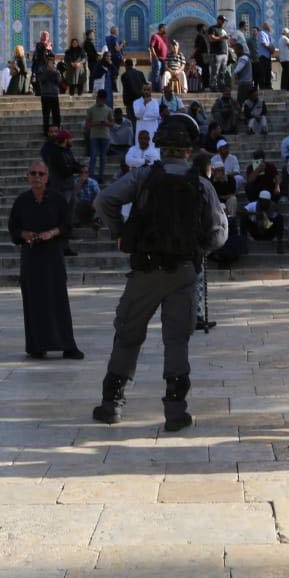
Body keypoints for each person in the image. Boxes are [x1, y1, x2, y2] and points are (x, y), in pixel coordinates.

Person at [91, 113, 228, 430]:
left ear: (160, 144)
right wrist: (197, 247)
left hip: (145, 271)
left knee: (128, 335)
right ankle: (175, 412)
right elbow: (219, 235)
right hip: (183, 272)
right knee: (177, 341)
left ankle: (112, 404)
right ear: (190, 148)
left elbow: (103, 201)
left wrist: (120, 232)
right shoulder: (202, 184)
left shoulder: (143, 177)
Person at [9, 160, 81, 359]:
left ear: (47, 177)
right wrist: (25, 234)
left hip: (52, 256)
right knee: (33, 300)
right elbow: (13, 228)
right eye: (33, 173)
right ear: (28, 176)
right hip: (31, 257)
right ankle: (37, 346)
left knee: (58, 299)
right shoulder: (22, 201)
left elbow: (67, 225)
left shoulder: (57, 199)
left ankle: (67, 345)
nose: (37, 177)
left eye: (41, 174)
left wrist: (52, 233)